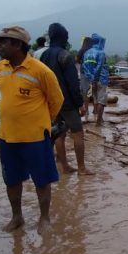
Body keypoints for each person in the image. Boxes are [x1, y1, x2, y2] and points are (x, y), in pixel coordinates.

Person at [0, 26, 64, 232]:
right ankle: (17, 217)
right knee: (11, 180)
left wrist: (42, 122)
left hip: (35, 138)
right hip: (6, 137)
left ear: (18, 45)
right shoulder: (0, 68)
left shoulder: (41, 71)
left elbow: (56, 101)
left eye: (3, 42)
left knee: (42, 180)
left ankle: (44, 218)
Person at [40, 23, 92, 175]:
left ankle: (64, 167)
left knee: (58, 134)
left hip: (51, 103)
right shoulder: (65, 56)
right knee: (77, 133)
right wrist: (80, 104)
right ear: (63, 38)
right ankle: (81, 168)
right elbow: (72, 83)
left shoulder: (44, 55)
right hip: (67, 102)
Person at [80, 33, 108, 125]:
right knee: (101, 100)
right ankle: (99, 121)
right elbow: (99, 66)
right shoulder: (101, 52)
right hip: (101, 79)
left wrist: (91, 78)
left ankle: (97, 118)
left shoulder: (87, 53)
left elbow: (84, 66)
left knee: (95, 98)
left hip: (91, 79)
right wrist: (95, 79)